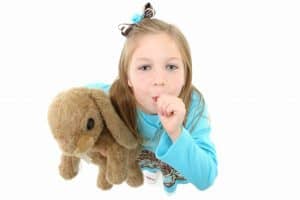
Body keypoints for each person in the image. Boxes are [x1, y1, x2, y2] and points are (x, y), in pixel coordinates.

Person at [87, 2, 217, 193]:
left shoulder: (194, 105)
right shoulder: (112, 97)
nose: (159, 80)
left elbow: (206, 178)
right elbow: (74, 106)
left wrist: (176, 132)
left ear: (185, 76)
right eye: (145, 67)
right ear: (127, 78)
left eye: (171, 67)